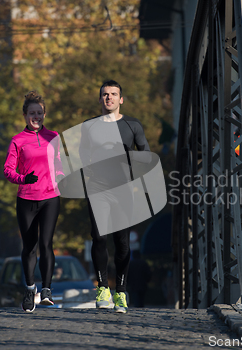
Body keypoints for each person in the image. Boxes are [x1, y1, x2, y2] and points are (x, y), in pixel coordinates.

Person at [81, 80, 151, 313]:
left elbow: (146, 155)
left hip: (123, 190)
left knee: (122, 243)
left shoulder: (132, 125)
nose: (109, 98)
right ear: (99, 99)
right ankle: (103, 288)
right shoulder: (89, 126)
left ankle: (120, 292)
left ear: (121, 99)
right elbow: (83, 157)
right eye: (105, 94)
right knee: (99, 237)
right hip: (98, 189)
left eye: (113, 94)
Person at [4, 91, 63, 312]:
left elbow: (59, 164)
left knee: (47, 243)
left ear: (44, 114)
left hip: (50, 197)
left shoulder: (53, 137)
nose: (36, 116)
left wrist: (63, 176)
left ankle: (46, 290)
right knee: (30, 247)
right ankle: (30, 290)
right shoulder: (18, 141)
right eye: (32, 113)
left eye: (39, 113)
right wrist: (22, 178)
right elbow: (8, 170)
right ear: (25, 115)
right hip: (26, 199)